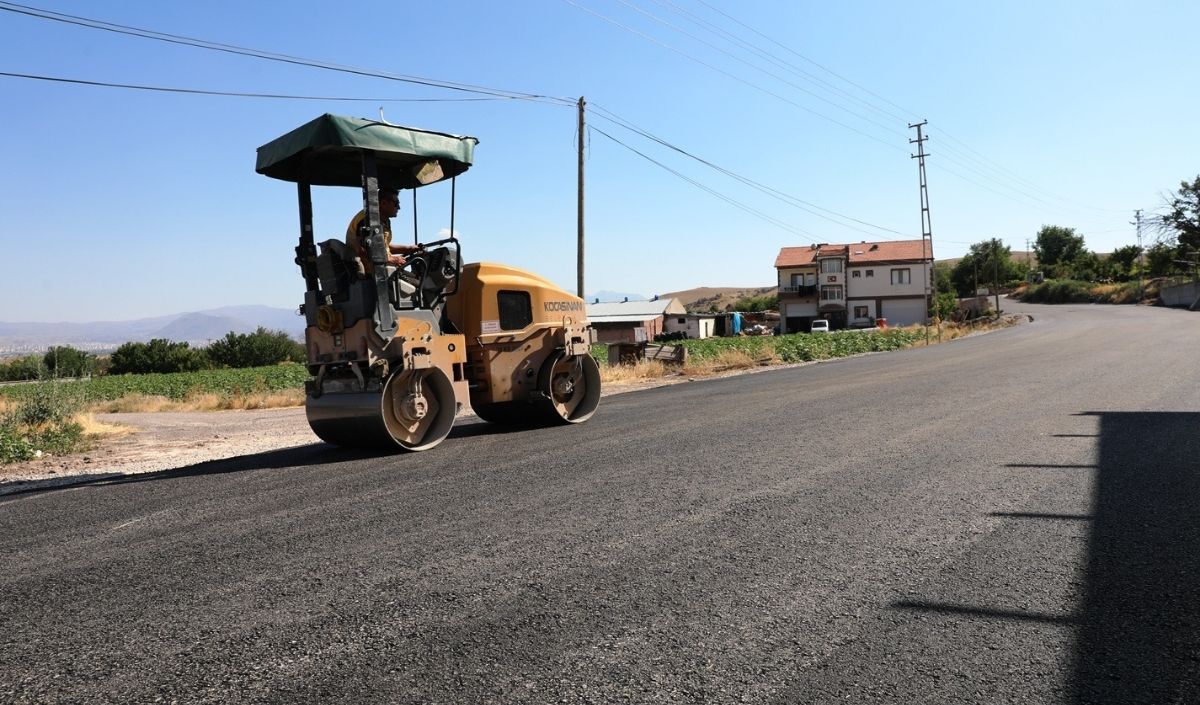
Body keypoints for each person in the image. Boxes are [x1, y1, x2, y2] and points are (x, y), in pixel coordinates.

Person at [345, 187, 419, 275]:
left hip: (383, 269)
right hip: (373, 273)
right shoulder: (367, 220)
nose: (399, 207)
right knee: (423, 284)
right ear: (383, 203)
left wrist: (408, 249)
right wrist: (391, 259)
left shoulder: (383, 220)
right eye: (396, 204)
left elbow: (382, 246)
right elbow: (361, 250)